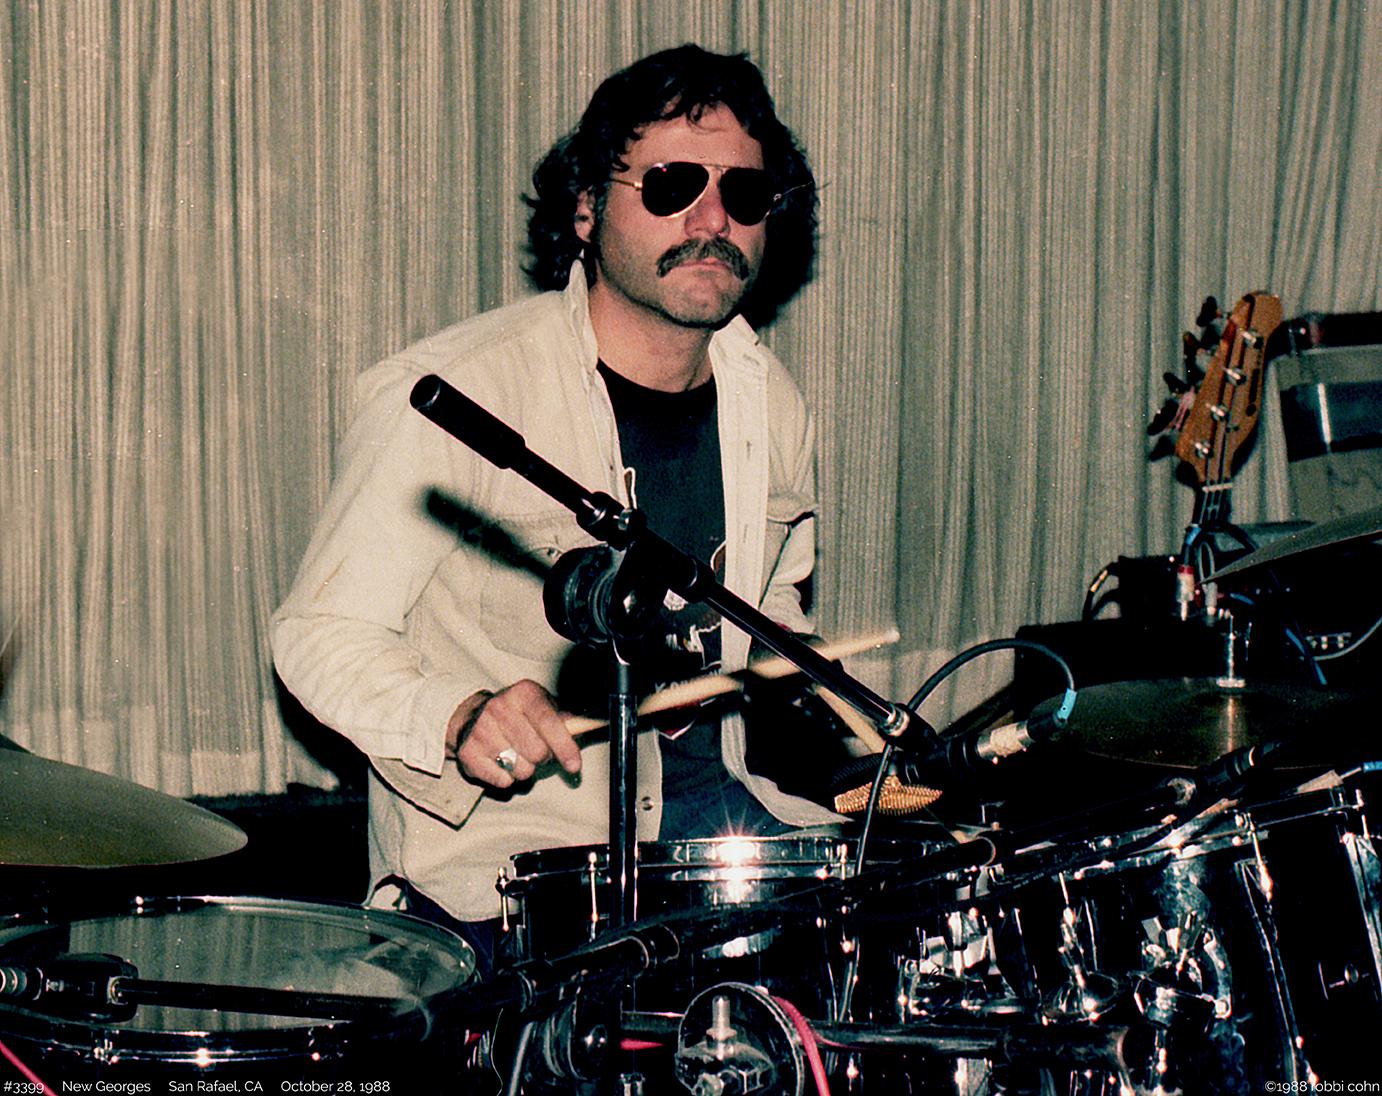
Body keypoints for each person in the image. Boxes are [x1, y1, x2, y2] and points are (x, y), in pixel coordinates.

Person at [270, 44, 843, 973]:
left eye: (743, 193)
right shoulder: (455, 395)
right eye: (671, 185)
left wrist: (803, 670)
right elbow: (318, 635)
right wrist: (458, 715)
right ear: (585, 209)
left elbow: (770, 609)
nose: (712, 219)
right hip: (512, 881)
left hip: (713, 844)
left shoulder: (768, 399)